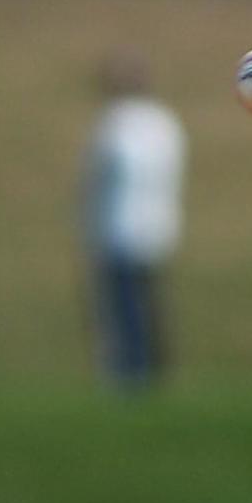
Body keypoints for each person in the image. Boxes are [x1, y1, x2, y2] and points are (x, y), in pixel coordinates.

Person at [79, 48, 187, 389]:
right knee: (148, 304)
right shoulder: (165, 123)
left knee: (123, 309)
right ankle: (152, 370)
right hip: (159, 227)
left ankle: (131, 375)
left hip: (119, 229)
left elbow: (97, 177)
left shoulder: (115, 124)